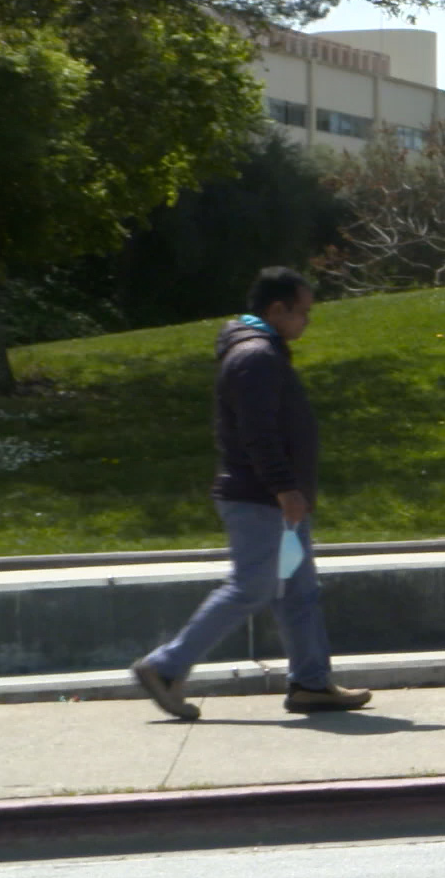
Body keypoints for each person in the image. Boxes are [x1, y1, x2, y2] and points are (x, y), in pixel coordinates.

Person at [131, 268, 368, 719]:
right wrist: (284, 489)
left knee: (298, 592)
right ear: (276, 309)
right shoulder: (256, 357)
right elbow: (257, 435)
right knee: (252, 587)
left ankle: (311, 684)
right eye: (302, 312)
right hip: (261, 500)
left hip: (276, 499)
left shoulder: (264, 353)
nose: (307, 322)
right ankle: (165, 667)